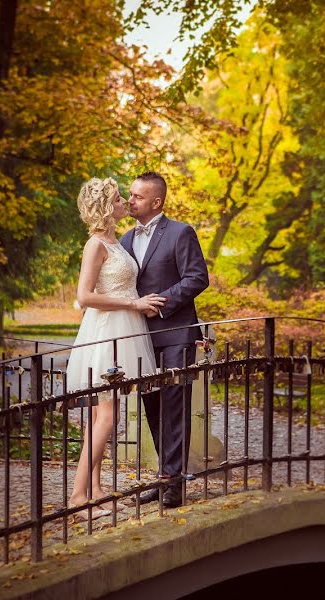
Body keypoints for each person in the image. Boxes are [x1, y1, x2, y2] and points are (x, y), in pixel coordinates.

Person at [65, 177, 166, 519]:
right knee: (107, 417)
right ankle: (78, 496)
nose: (126, 202)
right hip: (107, 332)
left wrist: (140, 303)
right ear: (108, 207)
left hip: (124, 330)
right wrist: (134, 305)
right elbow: (84, 297)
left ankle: (96, 491)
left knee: (101, 416)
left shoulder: (116, 240)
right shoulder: (95, 244)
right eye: (120, 199)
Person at [121, 171, 209, 508]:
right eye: (130, 195)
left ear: (156, 202)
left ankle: (175, 484)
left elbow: (197, 277)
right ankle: (164, 478)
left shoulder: (180, 232)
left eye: (137, 197)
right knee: (153, 408)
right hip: (139, 338)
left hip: (175, 333)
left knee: (175, 408)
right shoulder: (126, 240)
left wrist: (160, 304)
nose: (130, 201)